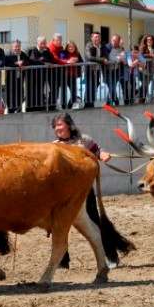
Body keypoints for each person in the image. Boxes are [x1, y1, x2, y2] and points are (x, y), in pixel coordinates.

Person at [51, 112, 113, 267]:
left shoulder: (83, 140)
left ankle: (109, 257)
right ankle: (62, 261)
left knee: (94, 222)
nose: (58, 128)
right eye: (55, 126)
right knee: (59, 226)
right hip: (61, 194)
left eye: (60, 124)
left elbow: (98, 151)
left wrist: (104, 154)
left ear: (69, 125)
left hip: (84, 191)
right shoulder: (53, 146)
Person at [27, 36, 59, 111]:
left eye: (44, 43)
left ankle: (50, 106)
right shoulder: (32, 50)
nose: (43, 45)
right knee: (35, 92)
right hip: (34, 76)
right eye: (41, 43)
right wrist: (44, 63)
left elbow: (52, 60)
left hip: (45, 75)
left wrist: (47, 62)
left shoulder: (47, 50)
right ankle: (34, 108)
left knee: (49, 90)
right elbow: (32, 60)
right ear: (37, 43)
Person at [4, 39, 31, 113]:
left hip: (20, 78)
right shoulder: (8, 54)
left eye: (18, 46)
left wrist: (23, 62)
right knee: (10, 94)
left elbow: (28, 61)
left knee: (20, 93)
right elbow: (5, 64)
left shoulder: (22, 54)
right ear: (12, 47)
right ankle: (10, 109)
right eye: (15, 47)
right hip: (11, 78)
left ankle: (18, 109)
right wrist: (16, 64)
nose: (17, 48)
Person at [84, 32, 110, 107]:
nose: (97, 38)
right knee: (89, 86)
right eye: (95, 37)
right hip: (89, 69)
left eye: (98, 37)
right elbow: (89, 57)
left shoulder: (102, 46)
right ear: (92, 38)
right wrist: (102, 60)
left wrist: (104, 59)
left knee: (95, 85)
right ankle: (87, 103)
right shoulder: (88, 45)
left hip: (98, 70)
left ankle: (91, 101)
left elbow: (106, 56)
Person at [58, 41, 82, 110]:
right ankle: (63, 106)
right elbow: (61, 60)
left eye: (72, 47)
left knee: (74, 92)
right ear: (67, 47)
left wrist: (77, 60)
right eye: (69, 47)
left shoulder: (77, 53)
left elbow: (82, 61)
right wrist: (69, 60)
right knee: (63, 92)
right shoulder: (63, 52)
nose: (71, 48)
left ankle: (69, 105)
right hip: (64, 75)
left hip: (73, 75)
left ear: (75, 47)